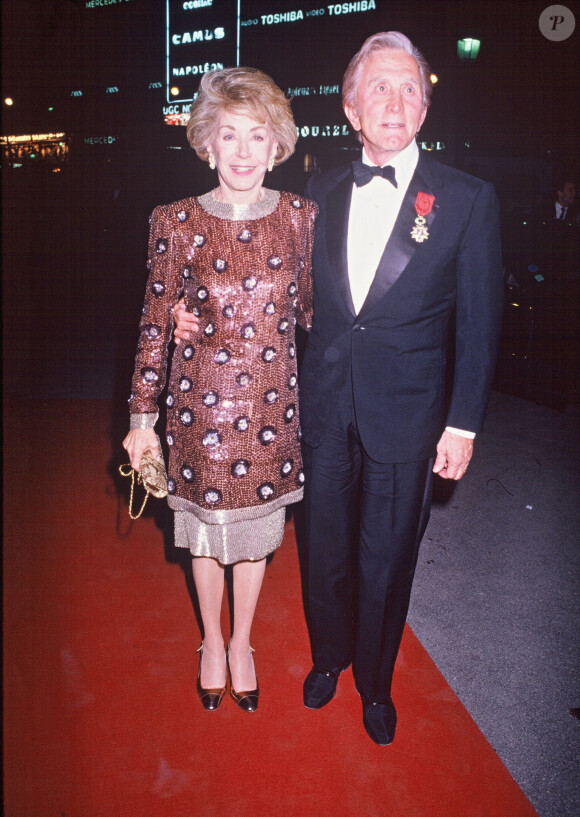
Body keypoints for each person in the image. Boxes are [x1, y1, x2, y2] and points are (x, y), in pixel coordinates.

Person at [174, 32, 504, 745]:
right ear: (351, 108)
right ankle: (328, 659)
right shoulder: (317, 193)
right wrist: (190, 310)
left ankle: (376, 683)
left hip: (408, 416)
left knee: (388, 557)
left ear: (426, 103)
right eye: (378, 88)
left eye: (409, 87)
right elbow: (269, 286)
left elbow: (481, 322)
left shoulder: (467, 198)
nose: (395, 101)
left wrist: (464, 423)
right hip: (320, 407)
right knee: (323, 548)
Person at [124, 67, 317, 714]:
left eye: (256, 136)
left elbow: (319, 313)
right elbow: (154, 323)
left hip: (270, 410)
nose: (241, 150)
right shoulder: (175, 221)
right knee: (204, 537)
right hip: (198, 408)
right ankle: (211, 639)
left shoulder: (300, 219)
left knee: (257, 541)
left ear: (276, 145)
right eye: (228, 135)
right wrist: (141, 417)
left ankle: (243, 642)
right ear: (207, 142)